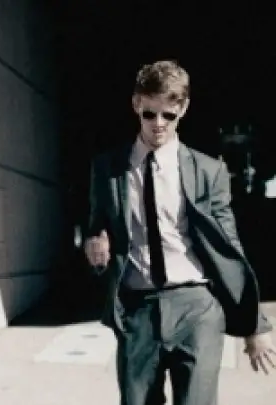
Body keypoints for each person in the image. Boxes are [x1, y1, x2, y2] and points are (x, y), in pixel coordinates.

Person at [84, 60, 275, 405]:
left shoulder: (208, 171)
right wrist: (95, 247)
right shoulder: (108, 168)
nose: (158, 124)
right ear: (136, 104)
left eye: (168, 115)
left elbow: (229, 248)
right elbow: (97, 226)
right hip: (137, 308)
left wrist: (254, 326)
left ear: (183, 109)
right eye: (149, 113)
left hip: (196, 307)